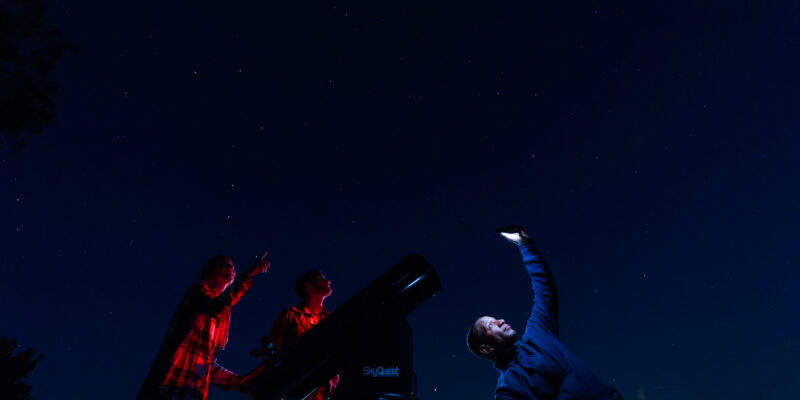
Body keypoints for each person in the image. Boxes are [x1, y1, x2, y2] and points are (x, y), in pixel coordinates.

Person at [467, 227, 623, 400]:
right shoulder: (509, 391)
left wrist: (525, 246)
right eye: (491, 325)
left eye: (496, 319)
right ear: (486, 348)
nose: (501, 320)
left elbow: (544, 289)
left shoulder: (538, 333)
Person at [137, 251, 271, 400]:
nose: (231, 269)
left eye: (233, 267)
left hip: (189, 393)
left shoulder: (220, 317)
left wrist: (238, 382)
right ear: (210, 270)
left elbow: (206, 362)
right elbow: (214, 307)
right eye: (225, 265)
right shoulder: (198, 292)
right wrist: (248, 275)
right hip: (165, 389)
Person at [263, 269, 338, 400]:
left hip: (327, 393)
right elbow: (271, 355)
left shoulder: (331, 319)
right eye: (321, 279)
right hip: (299, 392)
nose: (328, 281)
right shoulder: (289, 316)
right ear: (308, 286)